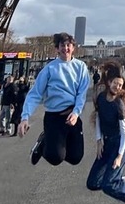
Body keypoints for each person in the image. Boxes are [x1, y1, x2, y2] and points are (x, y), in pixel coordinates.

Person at [18, 33, 90, 166]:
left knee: (75, 158)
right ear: (57, 48)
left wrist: (76, 113)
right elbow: (35, 94)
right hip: (54, 117)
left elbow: (82, 94)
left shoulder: (81, 67)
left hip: (72, 115)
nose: (66, 48)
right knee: (55, 158)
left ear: (73, 48)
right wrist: (25, 117)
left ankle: (54, 142)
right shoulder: (49, 69)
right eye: (62, 45)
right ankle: (44, 142)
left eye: (68, 45)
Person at [85, 63, 125, 204]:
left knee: (108, 185)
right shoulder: (102, 98)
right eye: (116, 83)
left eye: (120, 84)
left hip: (118, 145)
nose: (118, 86)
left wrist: (119, 156)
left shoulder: (119, 105)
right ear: (109, 82)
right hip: (107, 144)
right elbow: (98, 119)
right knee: (92, 183)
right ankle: (120, 180)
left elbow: (124, 133)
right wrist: (98, 141)